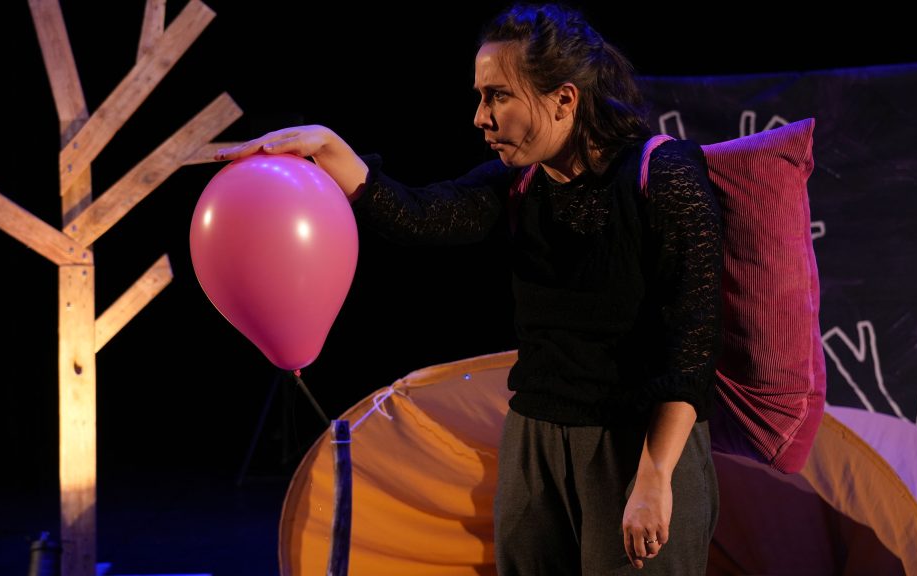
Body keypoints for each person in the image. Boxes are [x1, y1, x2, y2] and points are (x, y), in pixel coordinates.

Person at [216, 3, 721, 574]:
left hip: (639, 445)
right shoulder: (521, 181)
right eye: (481, 97)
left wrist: (656, 476)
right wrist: (329, 147)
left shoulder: (663, 174)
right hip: (534, 440)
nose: (481, 117)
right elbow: (421, 216)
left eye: (498, 96)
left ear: (564, 99)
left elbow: (693, 344)